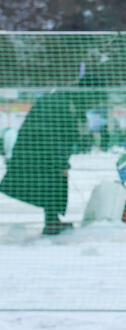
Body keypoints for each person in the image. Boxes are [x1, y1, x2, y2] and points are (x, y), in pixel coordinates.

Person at [0, 86, 93, 235]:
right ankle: (52, 223)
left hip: (43, 153)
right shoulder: (60, 106)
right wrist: (61, 162)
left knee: (51, 184)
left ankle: (52, 220)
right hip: (41, 154)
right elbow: (54, 136)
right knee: (51, 183)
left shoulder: (64, 103)